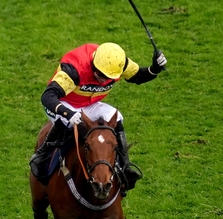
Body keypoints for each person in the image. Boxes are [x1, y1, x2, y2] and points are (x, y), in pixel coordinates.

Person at [29, 42, 167, 189]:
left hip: (88, 104)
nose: (104, 80)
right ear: (94, 64)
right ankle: (42, 155)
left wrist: (155, 68)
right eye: (101, 74)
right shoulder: (74, 69)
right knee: (68, 121)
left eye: (109, 78)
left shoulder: (118, 62)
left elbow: (138, 75)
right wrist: (67, 113)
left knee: (117, 116)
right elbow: (48, 96)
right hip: (62, 103)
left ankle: (125, 166)